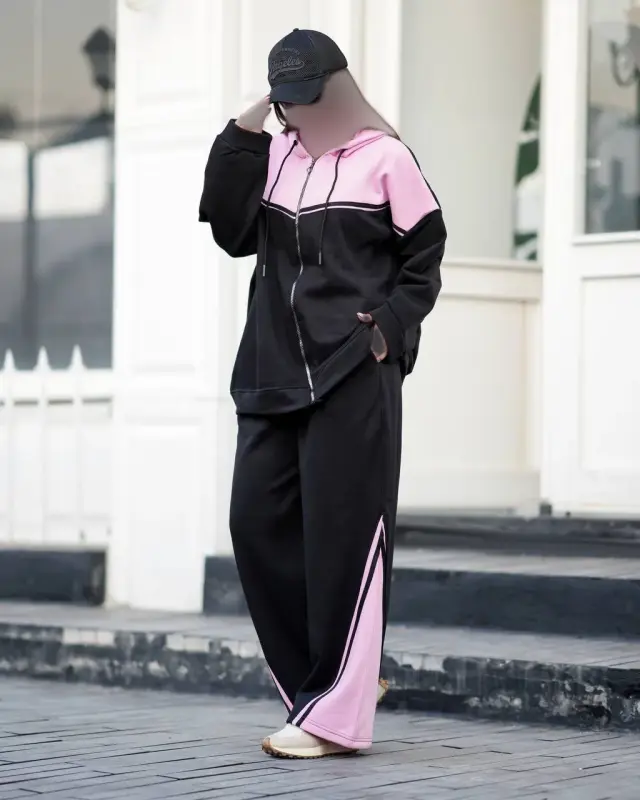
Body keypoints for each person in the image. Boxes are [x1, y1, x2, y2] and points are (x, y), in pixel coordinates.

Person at [199, 28, 446, 759]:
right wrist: (250, 123)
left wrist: (387, 332)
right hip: (270, 372)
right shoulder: (273, 155)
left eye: (312, 97)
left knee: (343, 543)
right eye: (290, 102)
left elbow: (425, 257)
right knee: (255, 525)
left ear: (341, 88)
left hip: (351, 375)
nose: (304, 114)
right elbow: (229, 229)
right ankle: (330, 686)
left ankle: (333, 716)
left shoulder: (386, 158)